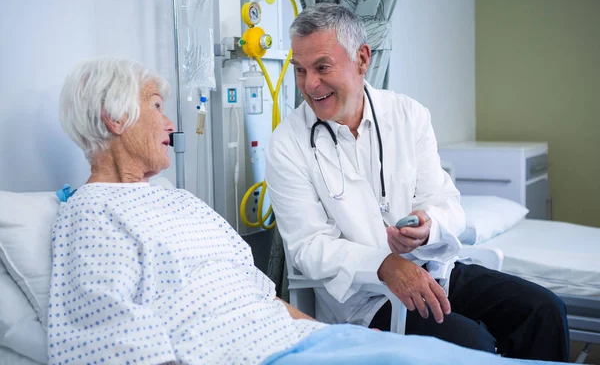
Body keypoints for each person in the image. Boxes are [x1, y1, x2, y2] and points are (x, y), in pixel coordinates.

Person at [47, 57, 565, 365]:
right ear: (115, 118)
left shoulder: (181, 203)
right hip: (267, 350)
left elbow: (262, 297)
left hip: (306, 339)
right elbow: (112, 343)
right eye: (157, 104)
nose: (171, 120)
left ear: (360, 60)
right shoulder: (93, 214)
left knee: (512, 327)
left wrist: (334, 335)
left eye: (323, 67)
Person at [265, 3, 569, 362]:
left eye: (321, 67)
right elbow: (307, 247)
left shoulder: (408, 115)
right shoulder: (288, 143)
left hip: (436, 271)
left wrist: (430, 227)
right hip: (364, 299)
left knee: (544, 311)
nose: (309, 84)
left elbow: (446, 202)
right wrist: (383, 264)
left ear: (362, 59)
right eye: (300, 71)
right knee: (472, 345)